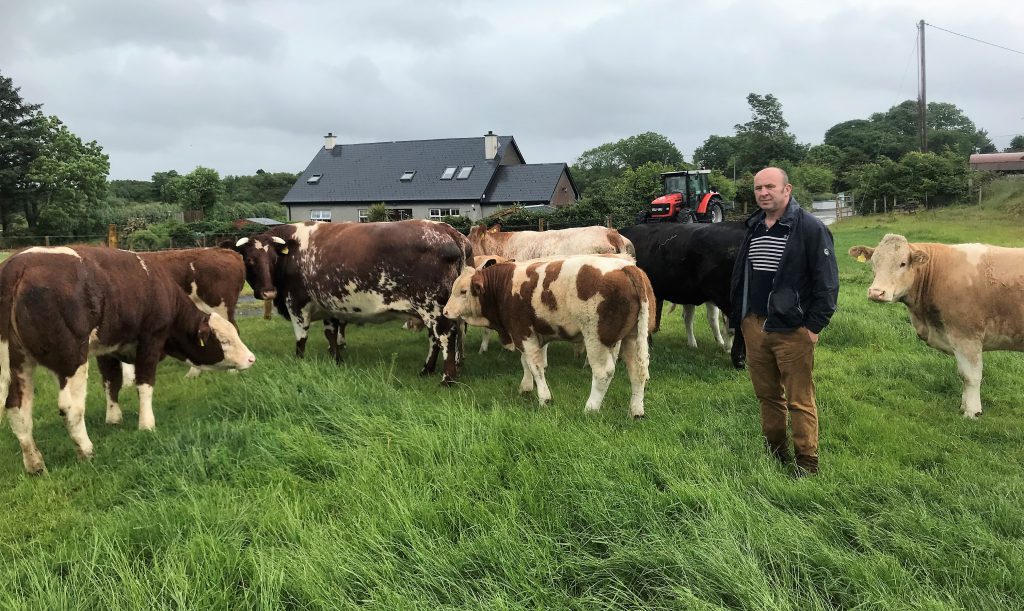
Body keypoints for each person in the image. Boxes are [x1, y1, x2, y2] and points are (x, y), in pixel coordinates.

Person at [729, 167, 839, 477]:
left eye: (770, 187)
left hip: (792, 329)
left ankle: (807, 462)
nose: (763, 193)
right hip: (754, 325)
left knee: (799, 399)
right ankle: (775, 451)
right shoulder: (754, 227)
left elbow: (827, 283)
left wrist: (814, 327)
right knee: (767, 395)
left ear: (786, 189)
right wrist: (742, 318)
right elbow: (744, 275)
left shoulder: (810, 228)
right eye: (758, 188)